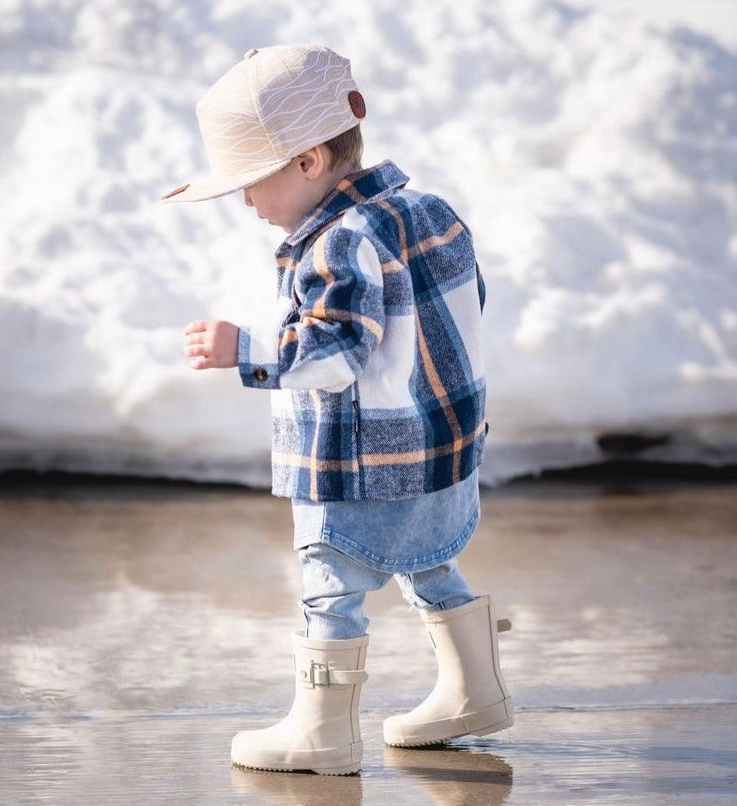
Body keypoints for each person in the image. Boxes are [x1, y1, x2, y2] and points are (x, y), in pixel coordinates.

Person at [164, 44, 512, 776]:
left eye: (249, 185)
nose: (247, 204)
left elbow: (338, 351)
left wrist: (247, 347)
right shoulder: (429, 212)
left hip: (359, 463)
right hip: (440, 452)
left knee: (330, 589)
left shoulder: (337, 243)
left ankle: (321, 733)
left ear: (309, 162)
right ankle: (473, 689)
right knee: (432, 562)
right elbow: (466, 310)